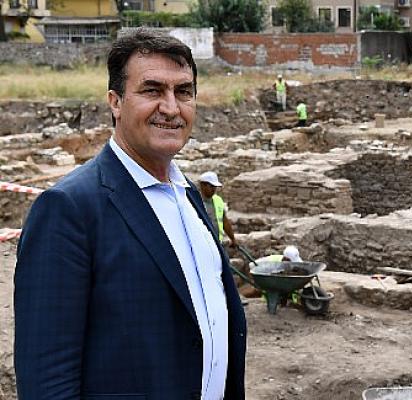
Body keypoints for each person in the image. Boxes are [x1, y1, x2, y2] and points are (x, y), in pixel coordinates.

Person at [14, 29, 247, 399]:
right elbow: (48, 378)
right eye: (152, 90)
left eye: (183, 91)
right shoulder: (69, 209)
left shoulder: (188, 193)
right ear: (116, 102)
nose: (171, 108)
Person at [199, 170, 238, 246]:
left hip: (217, 243)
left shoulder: (218, 200)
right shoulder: (195, 202)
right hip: (203, 244)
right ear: (202, 185)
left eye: (215, 187)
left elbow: (224, 220)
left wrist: (232, 239)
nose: (214, 189)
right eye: (211, 186)